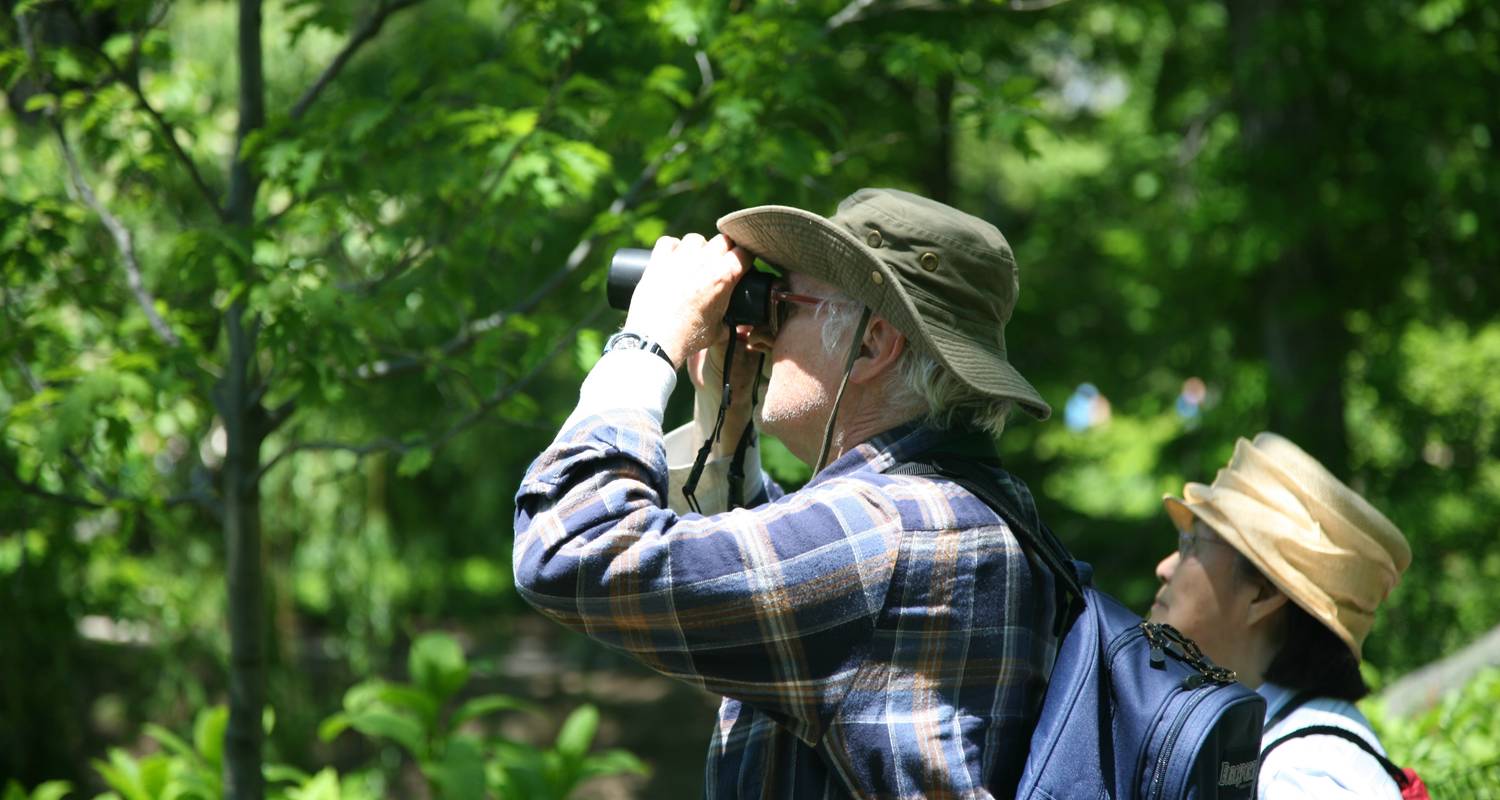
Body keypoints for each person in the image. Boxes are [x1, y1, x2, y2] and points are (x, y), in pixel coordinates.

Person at [513, 188, 1063, 798]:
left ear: (874, 344)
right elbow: (773, 586)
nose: (763, 333)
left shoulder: (891, 532)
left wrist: (648, 345)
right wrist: (725, 416)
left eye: (786, 304)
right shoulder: (967, 507)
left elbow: (571, 547)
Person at [1148, 432, 1413, 799]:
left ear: (1263, 593)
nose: (1165, 567)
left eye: (1192, 544)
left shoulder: (1306, 777)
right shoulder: (1271, 746)